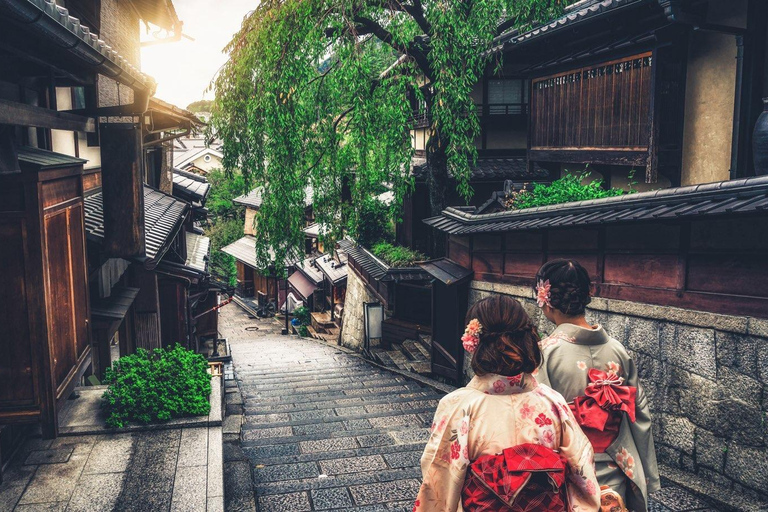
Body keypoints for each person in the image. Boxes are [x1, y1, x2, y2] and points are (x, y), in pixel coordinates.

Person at [414, 294, 600, 512]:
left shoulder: (458, 407)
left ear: (475, 342)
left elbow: (439, 481)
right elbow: (582, 471)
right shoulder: (552, 403)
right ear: (526, 339)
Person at [533, 259, 660, 512]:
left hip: (567, 470)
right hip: (617, 466)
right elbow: (640, 417)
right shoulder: (619, 351)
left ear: (546, 298)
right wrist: (646, 474)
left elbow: (540, 420)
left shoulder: (545, 353)